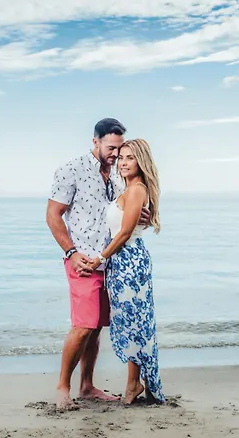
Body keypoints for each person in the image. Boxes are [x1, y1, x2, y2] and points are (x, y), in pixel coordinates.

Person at [46, 119, 151, 410]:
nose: (116, 155)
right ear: (95, 142)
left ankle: (87, 385)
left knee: (95, 328)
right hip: (82, 261)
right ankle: (63, 387)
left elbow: (126, 207)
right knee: (83, 326)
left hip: (112, 263)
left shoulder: (119, 173)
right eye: (111, 148)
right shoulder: (72, 169)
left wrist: (141, 216)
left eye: (120, 149)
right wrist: (71, 253)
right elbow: (53, 215)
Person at [86, 138, 165, 404]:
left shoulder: (137, 190)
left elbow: (124, 233)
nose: (123, 162)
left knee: (133, 323)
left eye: (130, 158)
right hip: (121, 262)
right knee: (130, 322)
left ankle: (133, 384)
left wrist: (99, 259)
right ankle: (133, 382)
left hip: (130, 261)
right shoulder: (128, 189)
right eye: (121, 157)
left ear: (141, 161)